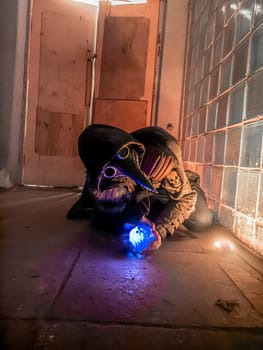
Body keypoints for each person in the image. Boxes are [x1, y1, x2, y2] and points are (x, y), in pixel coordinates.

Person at [67, 124, 213, 252]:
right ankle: (146, 210)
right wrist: (132, 222)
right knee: (107, 221)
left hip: (167, 190)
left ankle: (152, 208)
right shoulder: (100, 179)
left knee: (201, 219)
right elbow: (107, 214)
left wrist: (161, 231)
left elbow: (185, 199)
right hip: (139, 195)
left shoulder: (160, 151)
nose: (116, 176)